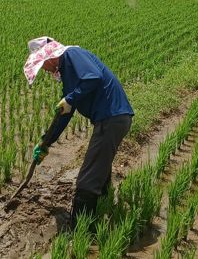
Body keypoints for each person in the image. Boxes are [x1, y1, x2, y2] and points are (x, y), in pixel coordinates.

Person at [23, 36, 134, 228]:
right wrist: (45, 143)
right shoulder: (67, 72)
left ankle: (80, 229)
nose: (45, 70)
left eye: (43, 66)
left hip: (111, 118)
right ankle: (103, 209)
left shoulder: (72, 54)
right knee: (100, 170)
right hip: (113, 119)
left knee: (86, 181)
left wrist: (71, 98)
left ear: (49, 57)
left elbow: (93, 77)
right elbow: (64, 115)